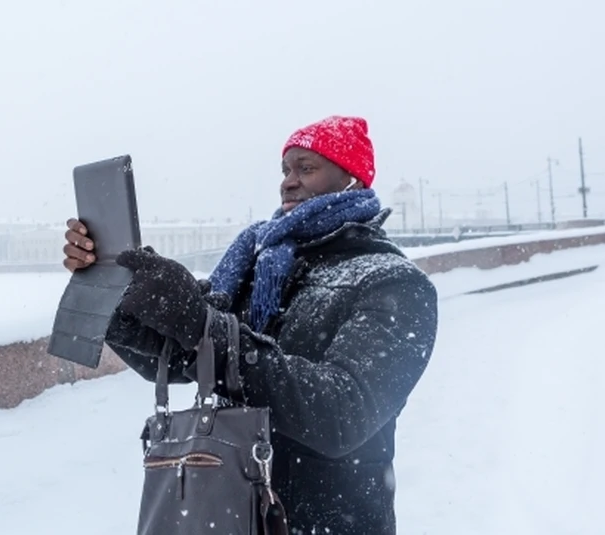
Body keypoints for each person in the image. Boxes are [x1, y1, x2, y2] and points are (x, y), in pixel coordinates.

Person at [63, 115, 438, 534]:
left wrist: (204, 324)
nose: (288, 182)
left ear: (351, 179)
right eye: (286, 170)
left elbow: (341, 414)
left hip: (330, 520)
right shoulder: (257, 266)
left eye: (306, 168)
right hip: (234, 510)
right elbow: (174, 359)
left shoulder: (392, 283)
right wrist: (119, 287)